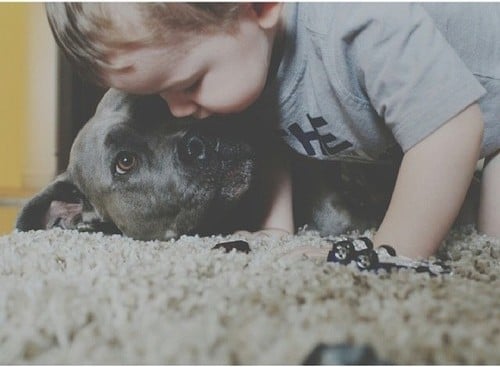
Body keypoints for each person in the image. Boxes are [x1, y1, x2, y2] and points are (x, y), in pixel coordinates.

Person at [45, 3, 500, 258]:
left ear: (261, 6)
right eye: (161, 98)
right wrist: (275, 228)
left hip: (468, 120)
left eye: (188, 85)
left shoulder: (357, 20)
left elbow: (451, 126)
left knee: (486, 252)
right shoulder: (249, 55)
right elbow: (272, 134)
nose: (179, 111)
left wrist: (391, 251)